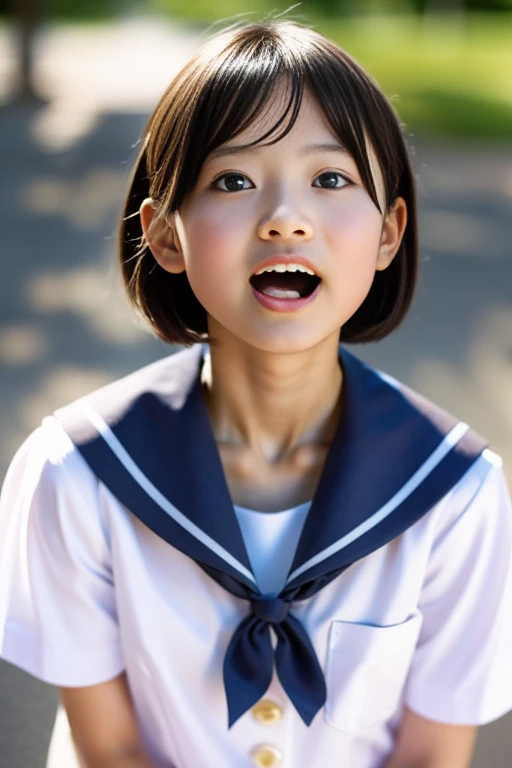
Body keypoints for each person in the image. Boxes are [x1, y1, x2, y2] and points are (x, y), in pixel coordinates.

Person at [1, 18, 511, 768]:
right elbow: (105, 746)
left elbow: (433, 754)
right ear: (166, 234)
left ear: (388, 234)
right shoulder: (76, 473)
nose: (283, 219)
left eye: (330, 179)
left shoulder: (456, 493)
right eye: (233, 181)